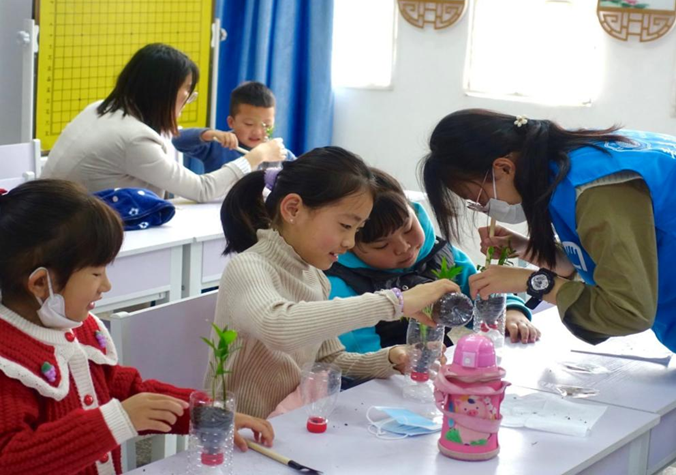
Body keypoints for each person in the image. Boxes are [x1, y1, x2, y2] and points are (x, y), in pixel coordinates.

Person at [420, 108, 676, 471]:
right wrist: (529, 249)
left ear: (503, 168)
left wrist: (530, 281)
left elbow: (627, 310)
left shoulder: (597, 186)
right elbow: (607, 258)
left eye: (476, 196)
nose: (482, 207)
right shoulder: (578, 161)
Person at [0, 180, 273, 475]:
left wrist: (204, 413)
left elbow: (125, 389)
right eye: (96, 273)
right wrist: (116, 421)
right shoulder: (7, 361)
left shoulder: (76, 325)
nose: (106, 285)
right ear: (41, 283)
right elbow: (10, 461)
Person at [209, 147, 459, 418]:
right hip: (239, 432)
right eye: (345, 226)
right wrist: (395, 302)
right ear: (293, 209)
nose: (350, 242)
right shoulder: (248, 267)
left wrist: (390, 358)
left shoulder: (314, 276)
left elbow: (329, 360)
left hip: (289, 425)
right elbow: (278, 326)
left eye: (358, 230)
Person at [326, 168, 539, 354]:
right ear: (349, 243)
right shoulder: (341, 284)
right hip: (380, 373)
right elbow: (359, 356)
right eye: (381, 245)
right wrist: (395, 363)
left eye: (408, 229)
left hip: (433, 360)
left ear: (413, 210)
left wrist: (511, 312)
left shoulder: (438, 253)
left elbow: (480, 291)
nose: (403, 247)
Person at [43, 44, 285, 202]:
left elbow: (172, 137)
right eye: (187, 90)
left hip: (54, 215)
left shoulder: (100, 108)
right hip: (73, 233)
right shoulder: (135, 140)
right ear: (163, 92)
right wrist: (256, 156)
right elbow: (203, 190)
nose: (189, 99)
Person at [173, 81, 297, 174]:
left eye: (267, 125)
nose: (258, 132)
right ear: (231, 122)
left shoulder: (279, 153)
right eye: (249, 124)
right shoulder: (219, 145)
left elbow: (302, 175)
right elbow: (176, 140)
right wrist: (210, 134)